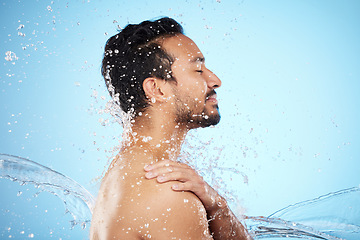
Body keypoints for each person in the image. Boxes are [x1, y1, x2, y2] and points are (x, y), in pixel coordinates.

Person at [90, 17, 252, 240]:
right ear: (157, 89)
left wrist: (217, 206)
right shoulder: (167, 192)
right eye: (197, 70)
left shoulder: (130, 170)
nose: (215, 80)